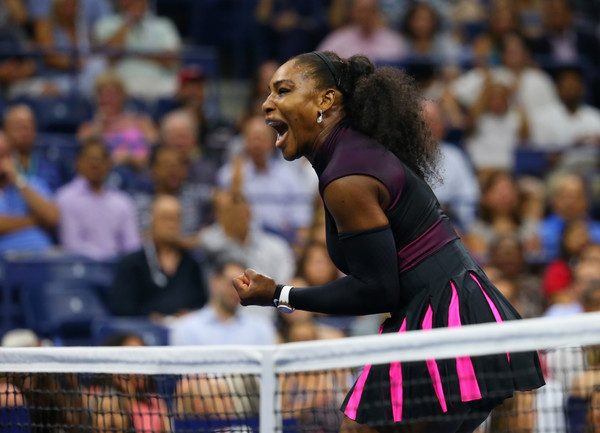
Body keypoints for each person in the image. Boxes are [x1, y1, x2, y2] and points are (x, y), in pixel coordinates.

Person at [232, 51, 545, 432]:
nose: (267, 103)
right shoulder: (349, 155)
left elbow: (376, 289)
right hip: (457, 307)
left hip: (443, 320)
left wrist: (280, 294)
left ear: (325, 101)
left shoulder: (347, 176)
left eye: (282, 90)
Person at [109, 194, 208, 318]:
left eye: (176, 219)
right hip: (144, 332)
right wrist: (150, 317)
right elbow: (121, 307)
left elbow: (202, 304)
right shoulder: (132, 263)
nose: (171, 225)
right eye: (166, 218)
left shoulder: (192, 263)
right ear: (151, 221)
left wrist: (190, 315)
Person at [56, 138, 141, 260]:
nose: (95, 164)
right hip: (80, 269)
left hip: (117, 270)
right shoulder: (65, 198)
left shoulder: (122, 202)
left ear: (108, 164)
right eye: (90, 159)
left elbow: (132, 246)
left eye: (100, 159)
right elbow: (72, 245)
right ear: (78, 163)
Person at [170, 258, 276, 346]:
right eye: (231, 284)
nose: (236, 291)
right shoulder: (187, 328)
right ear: (214, 282)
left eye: (243, 286)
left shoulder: (261, 328)